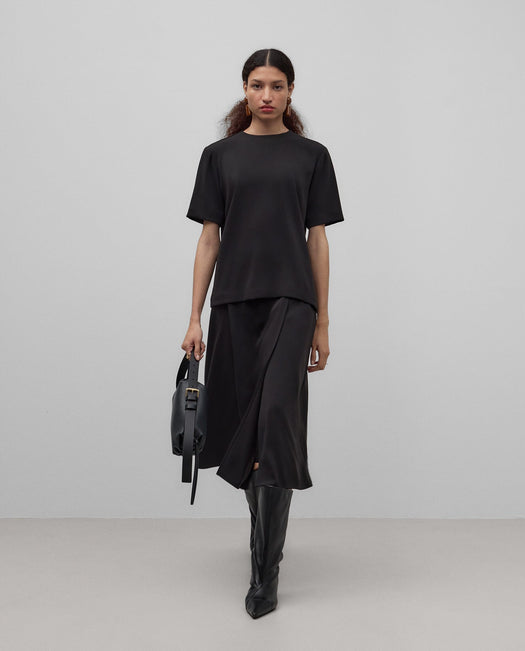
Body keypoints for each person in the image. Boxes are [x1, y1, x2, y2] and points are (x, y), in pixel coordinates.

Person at [181, 48, 344, 619]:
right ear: (245, 90)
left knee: (275, 420)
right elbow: (209, 239)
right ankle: (262, 544)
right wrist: (194, 316)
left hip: (292, 302)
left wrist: (323, 320)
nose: (267, 94)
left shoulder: (312, 156)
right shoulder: (219, 156)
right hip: (233, 304)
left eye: (277, 85)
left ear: (291, 90)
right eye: (257, 84)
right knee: (247, 431)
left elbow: (318, 240)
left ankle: (263, 577)